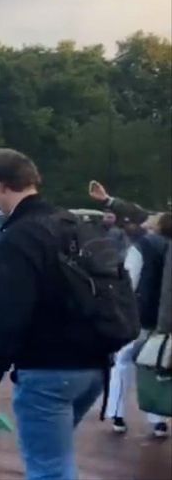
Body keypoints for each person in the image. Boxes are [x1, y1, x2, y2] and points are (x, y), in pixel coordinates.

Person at [0, 150, 110, 480]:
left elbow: (7, 320)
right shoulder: (73, 224)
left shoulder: (19, 236)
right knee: (57, 459)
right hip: (94, 364)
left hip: (47, 368)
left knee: (49, 469)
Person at [88, 181, 170, 438]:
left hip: (140, 315)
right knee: (159, 366)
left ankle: (117, 414)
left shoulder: (142, 246)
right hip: (164, 318)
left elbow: (129, 281)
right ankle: (158, 419)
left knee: (123, 362)